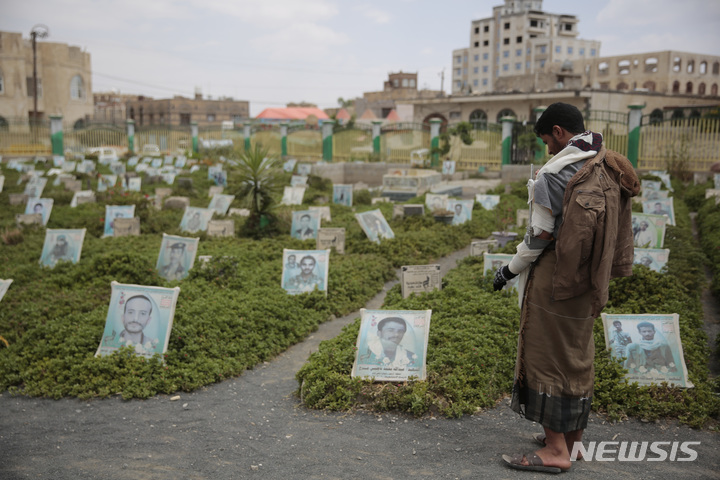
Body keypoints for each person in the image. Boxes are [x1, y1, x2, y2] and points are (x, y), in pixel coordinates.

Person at [492, 102, 639, 473]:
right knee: (576, 354)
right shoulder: (608, 162)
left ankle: (555, 450)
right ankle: (573, 442)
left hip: (557, 277)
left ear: (558, 131)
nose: (547, 150)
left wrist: (508, 271)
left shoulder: (553, 175)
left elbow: (540, 235)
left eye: (547, 140)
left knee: (546, 356)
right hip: (590, 278)